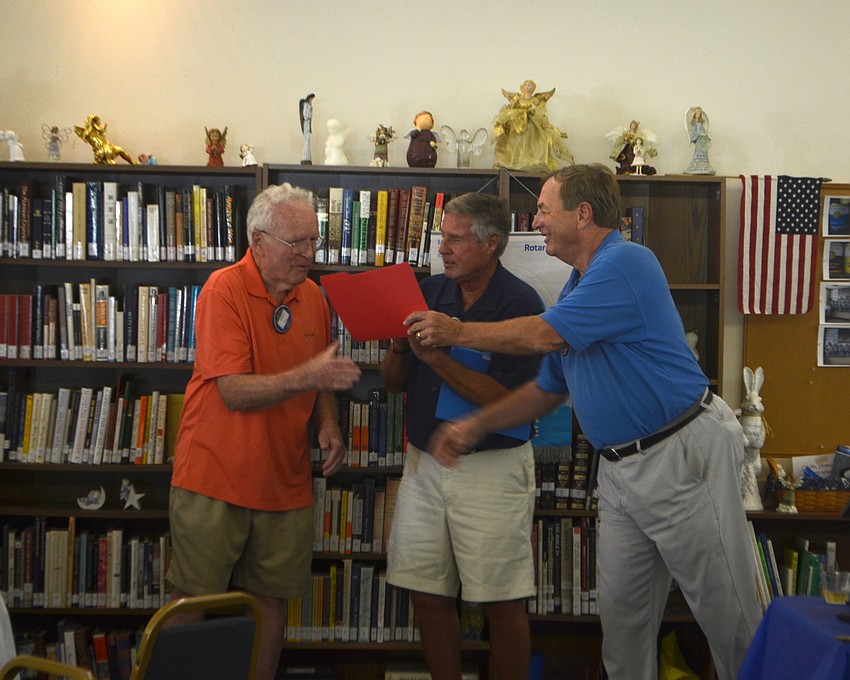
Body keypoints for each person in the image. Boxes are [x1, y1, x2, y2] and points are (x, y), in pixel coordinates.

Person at [404, 164, 762, 680]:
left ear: (583, 213)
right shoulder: (577, 284)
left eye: (546, 210)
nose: (539, 221)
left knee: (729, 618)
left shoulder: (627, 262)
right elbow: (547, 388)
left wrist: (456, 331)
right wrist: (476, 425)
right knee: (622, 627)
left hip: (681, 454)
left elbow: (544, 337)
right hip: (618, 470)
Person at [166, 183, 362, 680]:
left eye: (314, 243)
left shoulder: (313, 296)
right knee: (192, 600)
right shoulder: (223, 290)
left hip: (284, 479)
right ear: (258, 242)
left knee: (270, 602)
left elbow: (319, 372)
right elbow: (233, 391)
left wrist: (329, 424)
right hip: (215, 475)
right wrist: (311, 377)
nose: (309, 255)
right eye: (296, 243)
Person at [383, 192, 544, 680]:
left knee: (501, 602)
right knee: (427, 592)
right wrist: (397, 347)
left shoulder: (521, 304)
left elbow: (505, 402)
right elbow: (394, 384)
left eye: (455, 239)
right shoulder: (429, 293)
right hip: (423, 463)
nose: (443, 248)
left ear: (491, 243)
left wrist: (436, 356)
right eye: (441, 237)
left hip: (491, 469)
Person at [492, 79, 573, 172]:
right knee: (516, 141)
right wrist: (519, 114)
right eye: (526, 85)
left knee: (539, 141)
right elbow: (513, 109)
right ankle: (517, 160)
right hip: (519, 125)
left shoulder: (535, 100)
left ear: (533, 88)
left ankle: (533, 160)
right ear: (522, 87)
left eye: (529, 85)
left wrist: (533, 111)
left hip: (532, 125)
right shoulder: (518, 99)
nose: (527, 87)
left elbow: (540, 111)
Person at [685, 106, 715, 175]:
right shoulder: (694, 122)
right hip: (699, 139)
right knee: (698, 153)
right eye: (697, 112)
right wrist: (698, 135)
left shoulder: (701, 122)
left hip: (703, 139)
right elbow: (695, 131)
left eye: (699, 112)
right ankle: (697, 166)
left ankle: (704, 167)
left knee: (704, 153)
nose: (698, 113)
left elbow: (703, 129)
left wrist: (705, 134)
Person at [299, 93, 314, 164]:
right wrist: (309, 115)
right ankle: (305, 157)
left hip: (308, 124)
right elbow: (305, 115)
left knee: (307, 141)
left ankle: (307, 156)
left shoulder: (309, 105)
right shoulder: (306, 105)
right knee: (306, 141)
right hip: (306, 124)